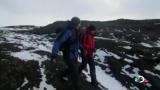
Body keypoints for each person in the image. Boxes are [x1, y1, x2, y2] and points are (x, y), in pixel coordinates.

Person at [51, 17, 81, 90]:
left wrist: (82, 49)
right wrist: (54, 55)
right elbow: (58, 42)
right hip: (68, 54)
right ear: (76, 23)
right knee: (75, 72)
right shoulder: (68, 31)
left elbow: (76, 43)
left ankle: (63, 75)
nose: (80, 24)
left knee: (72, 69)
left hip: (74, 54)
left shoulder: (75, 30)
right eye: (79, 23)